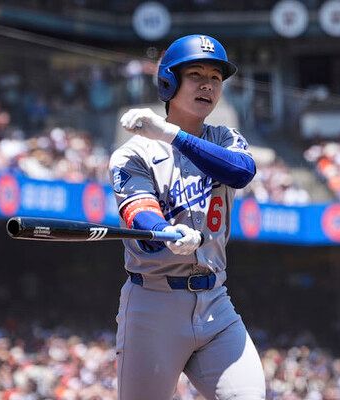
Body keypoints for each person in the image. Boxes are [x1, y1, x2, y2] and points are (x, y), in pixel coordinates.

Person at [109, 34, 266, 400]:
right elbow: (139, 214)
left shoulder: (224, 138)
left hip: (215, 302)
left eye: (215, 77)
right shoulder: (133, 153)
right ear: (169, 81)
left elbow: (241, 172)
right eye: (195, 74)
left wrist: (172, 134)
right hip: (153, 305)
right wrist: (166, 232)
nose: (207, 84)